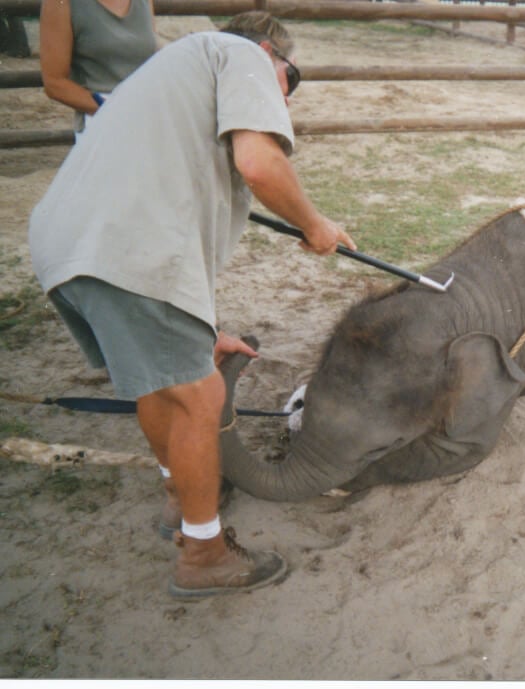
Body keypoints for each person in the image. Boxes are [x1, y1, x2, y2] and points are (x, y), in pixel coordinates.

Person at [29, 11, 355, 598]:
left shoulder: (167, 78)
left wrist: (201, 336)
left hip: (65, 243)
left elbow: (162, 203)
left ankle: (181, 499)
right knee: (200, 395)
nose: (286, 98)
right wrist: (316, 225)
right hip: (122, 249)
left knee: (166, 382)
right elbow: (259, 164)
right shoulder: (242, 56)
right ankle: (204, 554)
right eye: (293, 81)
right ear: (270, 54)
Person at [39, 0, 158, 138]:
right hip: (100, 118)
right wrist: (113, 110)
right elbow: (54, 83)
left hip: (146, 113)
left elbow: (149, 52)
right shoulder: (60, 3)